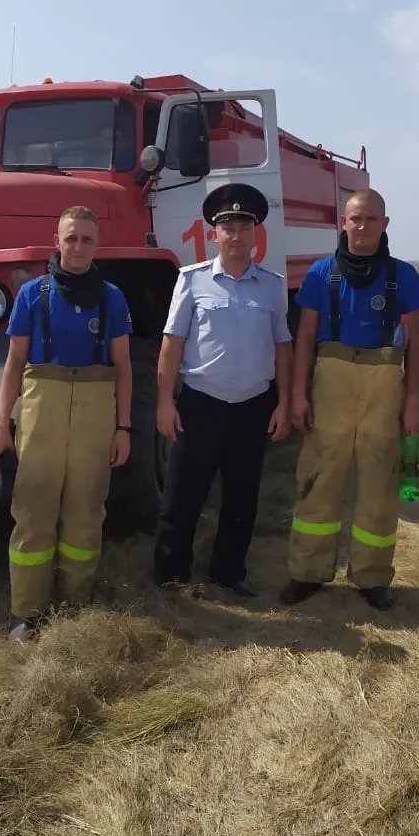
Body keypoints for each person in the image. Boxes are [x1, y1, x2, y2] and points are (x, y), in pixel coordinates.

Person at [0, 205, 134, 642]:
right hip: (42, 405)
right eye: (71, 238)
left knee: (86, 509)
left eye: (87, 239)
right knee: (33, 508)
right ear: (57, 241)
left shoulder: (113, 297)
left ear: (97, 245)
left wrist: (124, 428)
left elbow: (124, 368)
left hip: (95, 407)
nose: (78, 247)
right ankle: (27, 612)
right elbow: (14, 364)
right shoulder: (32, 294)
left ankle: (76, 603)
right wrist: (0, 425)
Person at [282, 187, 419, 610]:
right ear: (343, 223)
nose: (362, 226)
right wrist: (297, 395)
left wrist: (413, 403)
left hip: (384, 381)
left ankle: (371, 576)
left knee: (379, 481)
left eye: (371, 219)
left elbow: (416, 348)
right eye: (355, 219)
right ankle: (307, 571)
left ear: (385, 225)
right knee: (319, 477)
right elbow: (305, 337)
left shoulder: (404, 276)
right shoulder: (320, 274)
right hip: (331, 380)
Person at [152, 182, 293, 597]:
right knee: (182, 496)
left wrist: (284, 404)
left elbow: (283, 347)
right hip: (200, 405)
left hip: (252, 406)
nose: (235, 235)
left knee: (242, 499)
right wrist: (164, 402)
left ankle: (228, 572)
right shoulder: (190, 281)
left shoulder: (272, 285)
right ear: (213, 233)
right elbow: (171, 344)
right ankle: (171, 575)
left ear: (255, 235)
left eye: (243, 227)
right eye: (227, 227)